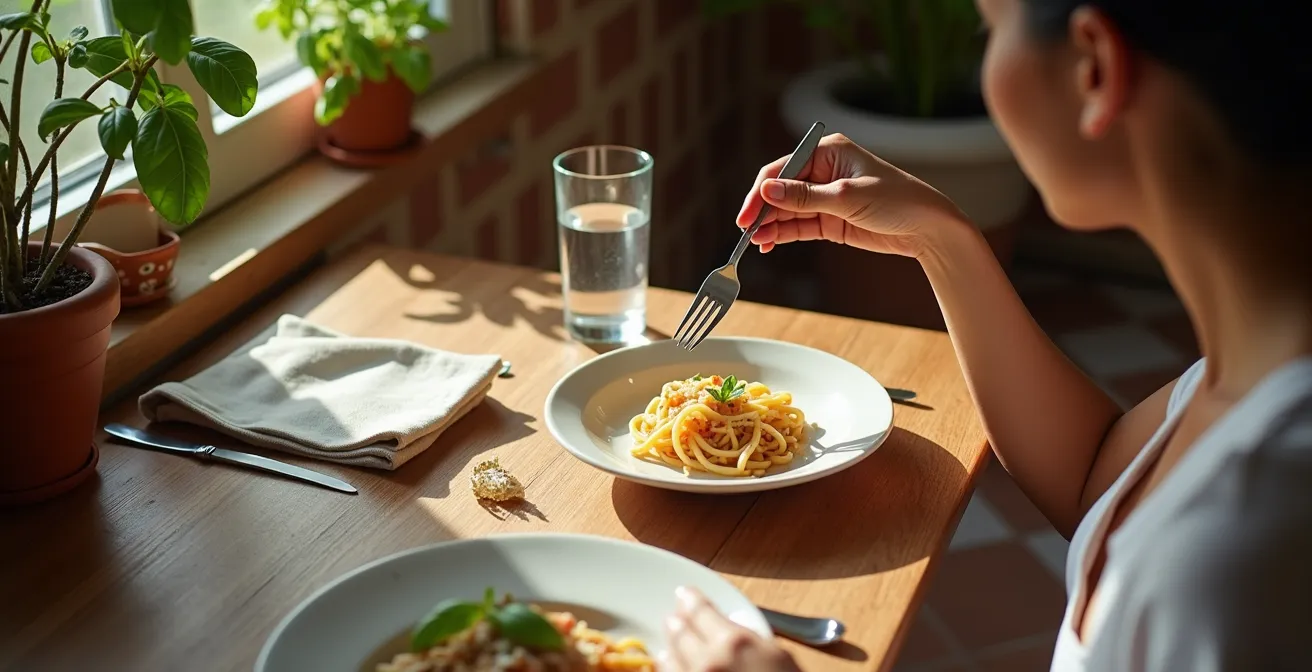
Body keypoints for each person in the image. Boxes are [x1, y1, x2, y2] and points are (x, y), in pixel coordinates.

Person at [661, 0, 1312, 669]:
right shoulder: (1252, 380)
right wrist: (940, 238)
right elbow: (1098, 475)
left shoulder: (1236, 550)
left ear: (1094, 67)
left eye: (990, 30)